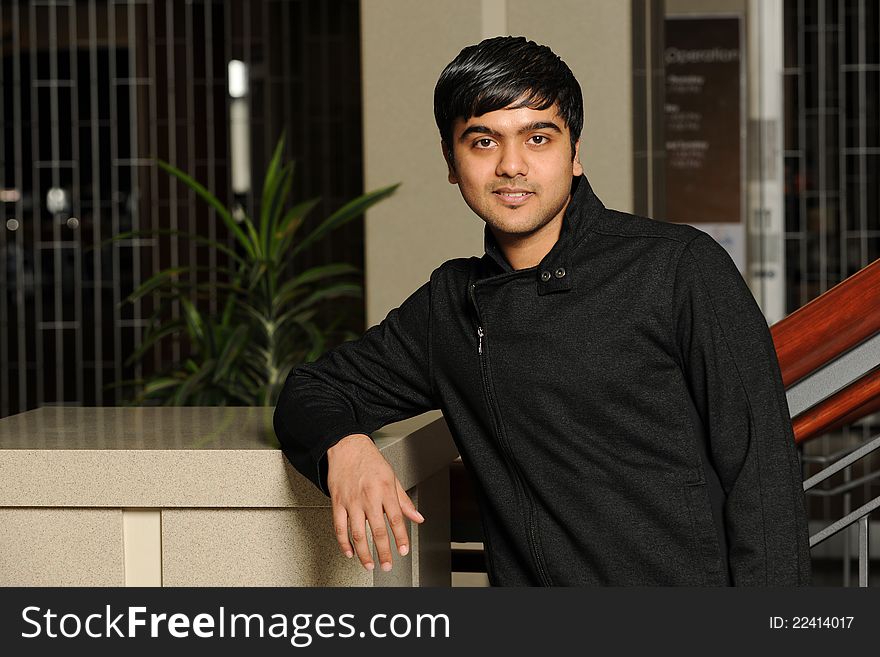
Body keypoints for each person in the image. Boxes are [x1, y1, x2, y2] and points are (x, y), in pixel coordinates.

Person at [273, 36, 812, 586]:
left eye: (537, 137)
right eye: (483, 141)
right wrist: (346, 449)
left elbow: (762, 471)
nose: (512, 165)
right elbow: (310, 391)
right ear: (452, 162)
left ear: (575, 153)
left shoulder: (679, 267)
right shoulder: (449, 307)